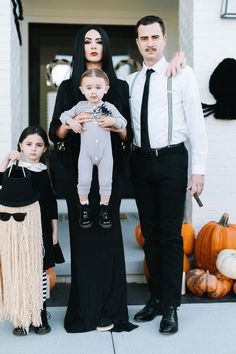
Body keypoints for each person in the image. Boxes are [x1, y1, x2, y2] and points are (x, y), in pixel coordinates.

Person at [49, 24, 186, 333]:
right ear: (80, 47)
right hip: (79, 175)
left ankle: (111, 309)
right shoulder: (68, 88)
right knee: (84, 243)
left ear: (106, 46)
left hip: (111, 174)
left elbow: (129, 137)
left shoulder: (122, 87)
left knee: (109, 241)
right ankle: (86, 311)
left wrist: (117, 128)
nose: (93, 46)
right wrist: (71, 125)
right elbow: (54, 134)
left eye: (99, 41)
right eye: (87, 41)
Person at [126, 15, 208, 334]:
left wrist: (198, 170)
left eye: (154, 37)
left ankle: (171, 306)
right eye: (143, 38)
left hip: (172, 158)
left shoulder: (182, 75)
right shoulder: (131, 81)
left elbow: (197, 125)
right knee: (150, 234)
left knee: (171, 235)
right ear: (137, 43)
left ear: (164, 39)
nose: (149, 43)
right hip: (140, 161)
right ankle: (156, 297)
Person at [0, 126, 58, 336]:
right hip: (17, 232)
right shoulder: (14, 170)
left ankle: (40, 314)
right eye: (29, 144)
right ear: (20, 146)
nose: (33, 149)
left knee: (40, 273)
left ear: (44, 150)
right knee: (18, 271)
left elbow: (52, 205)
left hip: (39, 232)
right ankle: (20, 317)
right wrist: (7, 159)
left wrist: (54, 232)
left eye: (39, 145)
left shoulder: (45, 172)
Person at [59, 68, 127, 229]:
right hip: (86, 154)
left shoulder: (109, 107)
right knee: (83, 180)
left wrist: (113, 121)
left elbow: (123, 122)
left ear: (106, 89)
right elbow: (63, 116)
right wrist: (72, 121)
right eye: (89, 88)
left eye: (98, 87)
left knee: (105, 181)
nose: (94, 92)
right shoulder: (80, 106)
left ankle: (104, 209)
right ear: (82, 90)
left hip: (105, 154)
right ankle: (84, 207)